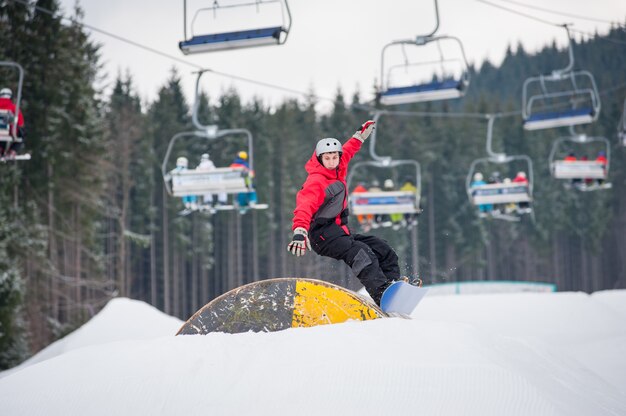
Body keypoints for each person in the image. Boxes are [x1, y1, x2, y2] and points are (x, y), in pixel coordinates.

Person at [287, 120, 417, 306]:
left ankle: (392, 287)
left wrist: (359, 136)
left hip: (340, 232)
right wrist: (299, 231)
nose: (332, 162)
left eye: (334, 157)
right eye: (327, 158)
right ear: (319, 158)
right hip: (321, 235)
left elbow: (348, 150)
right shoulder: (316, 181)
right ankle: (381, 295)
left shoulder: (340, 166)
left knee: (381, 247)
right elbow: (304, 206)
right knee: (361, 253)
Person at [0, 88, 25, 157]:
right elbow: (21, 123)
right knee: (21, 134)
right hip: (10, 132)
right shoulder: (13, 107)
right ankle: (12, 151)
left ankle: (1, 149)